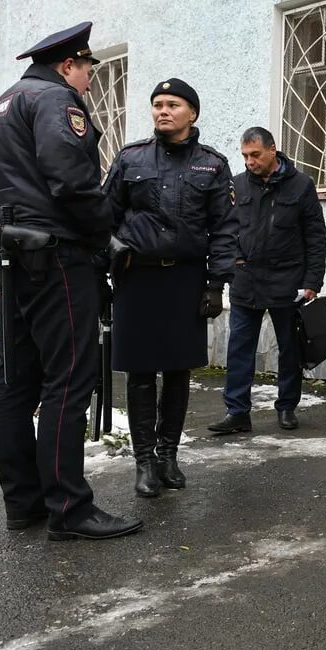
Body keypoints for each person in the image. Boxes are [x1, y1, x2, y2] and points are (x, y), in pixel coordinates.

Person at [0, 22, 142, 540]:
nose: (92, 78)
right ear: (68, 64)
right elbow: (71, 181)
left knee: (14, 381)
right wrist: (106, 236)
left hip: (7, 251)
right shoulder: (55, 100)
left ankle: (23, 503)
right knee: (68, 380)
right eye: (89, 68)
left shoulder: (2, 103)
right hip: (54, 254)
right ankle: (70, 510)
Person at [103, 78, 236, 498]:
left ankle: (168, 455)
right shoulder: (130, 159)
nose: (163, 110)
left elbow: (226, 229)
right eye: (157, 104)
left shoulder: (212, 165)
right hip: (137, 277)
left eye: (172, 104)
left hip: (185, 278)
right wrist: (108, 262)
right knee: (141, 372)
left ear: (191, 113)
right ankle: (143, 461)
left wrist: (216, 285)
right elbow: (104, 216)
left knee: (178, 371)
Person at [208, 127, 326, 434]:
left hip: (288, 281)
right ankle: (237, 412)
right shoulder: (236, 186)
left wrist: (313, 280)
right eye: (245, 155)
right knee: (239, 349)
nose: (249, 161)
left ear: (273, 150)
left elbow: (315, 236)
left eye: (255, 155)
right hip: (246, 280)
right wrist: (232, 261)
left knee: (290, 348)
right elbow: (223, 228)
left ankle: (287, 407)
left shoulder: (301, 186)